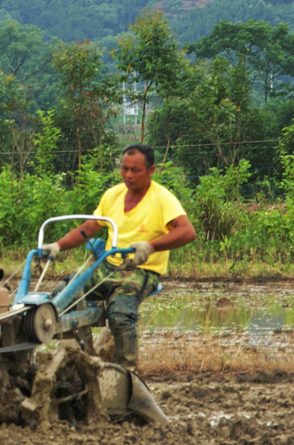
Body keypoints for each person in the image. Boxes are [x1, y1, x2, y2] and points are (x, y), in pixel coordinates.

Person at [37, 143, 196, 369]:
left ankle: (126, 373)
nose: (128, 175)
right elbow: (89, 228)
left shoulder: (162, 199)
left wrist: (150, 247)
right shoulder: (112, 195)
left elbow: (187, 231)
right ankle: (80, 360)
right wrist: (57, 246)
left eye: (136, 170)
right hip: (107, 265)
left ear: (151, 171)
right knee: (61, 298)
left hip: (141, 270)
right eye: (124, 169)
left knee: (120, 315)